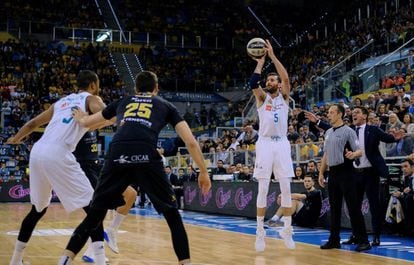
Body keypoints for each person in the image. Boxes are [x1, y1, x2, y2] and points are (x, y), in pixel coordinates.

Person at [58, 71, 211, 265]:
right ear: (156, 89)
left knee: (95, 215)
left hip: (118, 152)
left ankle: (65, 259)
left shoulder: (124, 101)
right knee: (172, 215)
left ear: (136, 89)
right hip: (146, 153)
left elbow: (88, 122)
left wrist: (80, 117)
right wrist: (203, 172)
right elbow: (190, 141)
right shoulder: (166, 105)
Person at [7, 70, 108, 265]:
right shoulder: (91, 98)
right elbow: (106, 112)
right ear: (93, 85)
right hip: (58, 153)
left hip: (37, 152)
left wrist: (15, 139)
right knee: (95, 208)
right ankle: (100, 260)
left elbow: (33, 123)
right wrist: (104, 116)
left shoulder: (61, 102)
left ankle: (15, 260)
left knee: (38, 209)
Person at [249, 39, 295, 251]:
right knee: (263, 187)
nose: (270, 81)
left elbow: (285, 77)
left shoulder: (284, 97)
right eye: (268, 79)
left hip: (282, 143)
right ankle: (260, 232)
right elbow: (253, 83)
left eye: (273, 79)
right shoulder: (261, 99)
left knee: (286, 187)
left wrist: (273, 56)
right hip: (265, 144)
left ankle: (287, 229)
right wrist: (260, 62)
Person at [73, 132, 138, 261]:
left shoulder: (94, 123)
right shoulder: (78, 120)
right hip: (83, 169)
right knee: (97, 210)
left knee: (131, 194)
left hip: (98, 168)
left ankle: (111, 231)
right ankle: (92, 251)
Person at [342, 106, 398, 247]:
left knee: (374, 206)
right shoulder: (349, 131)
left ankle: (376, 236)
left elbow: (388, 138)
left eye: (357, 112)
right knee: (354, 207)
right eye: (353, 113)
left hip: (370, 173)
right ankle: (356, 235)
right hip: (355, 173)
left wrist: (395, 137)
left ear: (365, 116)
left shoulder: (372, 130)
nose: (354, 114)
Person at [318, 104, 371, 252]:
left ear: (340, 114)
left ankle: (363, 240)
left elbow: (359, 151)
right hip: (333, 173)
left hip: (346, 172)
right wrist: (322, 173)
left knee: (353, 208)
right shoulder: (328, 132)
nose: (329, 115)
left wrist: (353, 155)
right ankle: (334, 240)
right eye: (328, 112)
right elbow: (326, 155)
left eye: (332, 112)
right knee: (334, 209)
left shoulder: (348, 131)